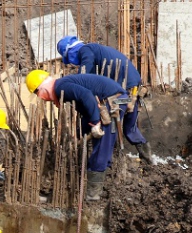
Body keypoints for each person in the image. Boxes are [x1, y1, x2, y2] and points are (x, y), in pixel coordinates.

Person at [25, 69, 126, 201]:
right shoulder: (62, 86)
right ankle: (93, 189)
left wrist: (95, 123)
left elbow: (86, 96)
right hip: (108, 101)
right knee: (99, 143)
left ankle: (92, 195)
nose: (40, 98)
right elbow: (85, 110)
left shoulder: (61, 87)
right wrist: (80, 134)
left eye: (37, 93)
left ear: (42, 88)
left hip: (112, 103)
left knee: (102, 147)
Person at [56, 35, 151, 161]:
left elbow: (83, 78)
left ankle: (109, 160)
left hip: (124, 95)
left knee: (109, 121)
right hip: (133, 95)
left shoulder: (87, 50)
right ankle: (147, 156)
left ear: (71, 52)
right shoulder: (97, 51)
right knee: (130, 128)